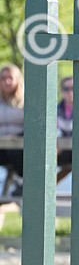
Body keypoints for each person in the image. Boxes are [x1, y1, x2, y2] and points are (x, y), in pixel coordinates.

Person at [0, 64, 25, 198]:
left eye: (10, 78)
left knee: (14, 149)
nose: (7, 81)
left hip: (19, 145)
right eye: (3, 78)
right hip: (1, 144)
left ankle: (22, 181)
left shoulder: (26, 101)